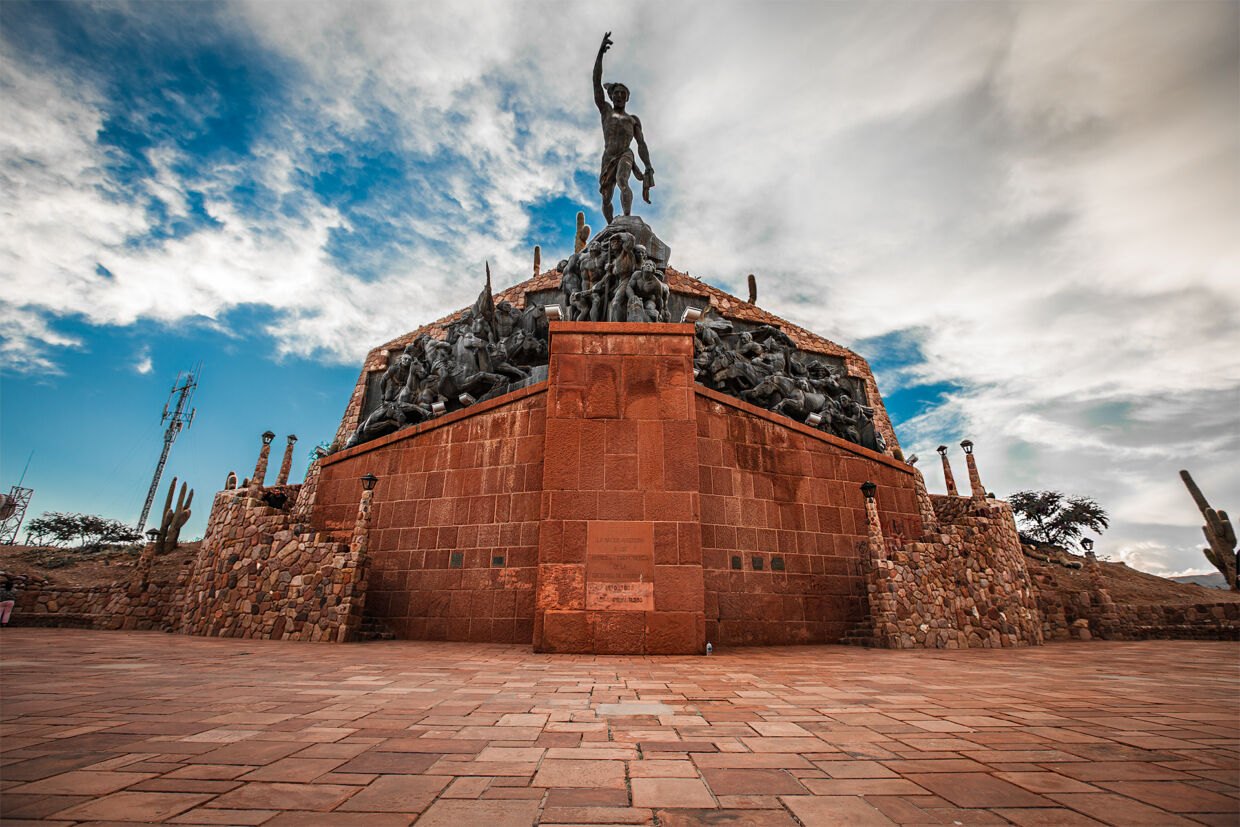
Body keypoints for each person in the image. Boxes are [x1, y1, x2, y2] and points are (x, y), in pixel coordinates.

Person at [594, 32, 655, 223]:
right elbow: (596, 81)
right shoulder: (606, 111)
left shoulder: (633, 119)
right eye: (617, 93)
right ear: (612, 96)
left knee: (622, 180)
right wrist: (600, 54)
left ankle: (627, 218)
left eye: (623, 93)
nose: (619, 96)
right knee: (606, 197)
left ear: (627, 97)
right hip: (608, 156)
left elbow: (641, 144)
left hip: (625, 154)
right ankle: (611, 225)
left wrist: (648, 167)